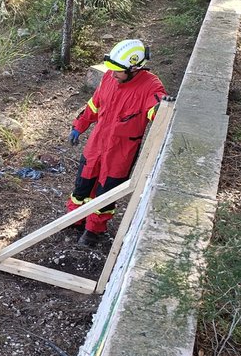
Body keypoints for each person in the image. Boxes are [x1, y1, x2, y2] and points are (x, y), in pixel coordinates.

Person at [68, 39, 167, 247]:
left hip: (122, 150)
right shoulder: (109, 77)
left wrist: (162, 109)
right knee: (83, 184)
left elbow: (157, 111)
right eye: (111, 69)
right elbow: (94, 105)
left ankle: (93, 230)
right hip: (97, 142)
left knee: (107, 192)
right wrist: (79, 125)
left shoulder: (150, 86)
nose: (113, 74)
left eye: (118, 71)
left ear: (135, 68)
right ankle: (74, 219)